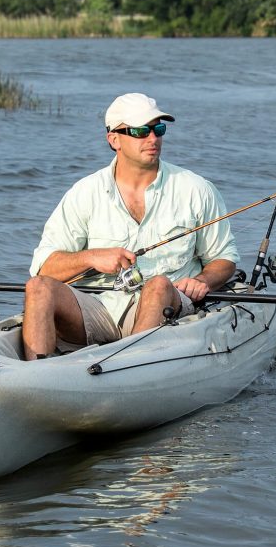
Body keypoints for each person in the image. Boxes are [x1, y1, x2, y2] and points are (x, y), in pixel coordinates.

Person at [22, 93, 238, 361]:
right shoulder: (84, 193)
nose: (153, 138)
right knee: (38, 287)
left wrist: (202, 281)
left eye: (159, 129)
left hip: (168, 306)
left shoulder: (196, 189)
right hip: (98, 309)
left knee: (158, 285)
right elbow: (45, 268)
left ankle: (128, 371)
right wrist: (92, 257)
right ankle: (33, 377)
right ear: (114, 139)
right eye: (140, 131)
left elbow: (224, 259)